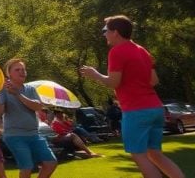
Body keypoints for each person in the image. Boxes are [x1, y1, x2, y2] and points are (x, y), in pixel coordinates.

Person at [80, 15, 186, 178]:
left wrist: (94, 74)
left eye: (105, 30)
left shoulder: (116, 51)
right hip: (155, 108)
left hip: (136, 111)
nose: (104, 34)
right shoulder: (142, 50)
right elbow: (153, 80)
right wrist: (134, 85)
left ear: (115, 32)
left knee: (139, 155)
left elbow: (113, 82)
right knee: (155, 154)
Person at [0, 58, 57, 178]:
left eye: (23, 69)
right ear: (9, 74)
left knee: (51, 163)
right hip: (15, 136)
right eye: (17, 70)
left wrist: (17, 94)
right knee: (27, 167)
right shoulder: (3, 90)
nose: (22, 72)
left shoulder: (30, 89)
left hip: (34, 134)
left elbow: (37, 106)